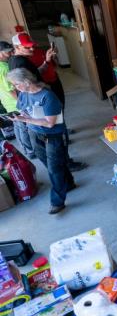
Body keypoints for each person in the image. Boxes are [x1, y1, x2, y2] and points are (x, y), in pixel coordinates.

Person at [9, 33, 86, 171]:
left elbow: (35, 75)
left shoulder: (21, 59)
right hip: (42, 102)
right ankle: (66, 165)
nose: (32, 50)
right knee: (55, 133)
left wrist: (46, 61)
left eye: (32, 46)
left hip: (42, 101)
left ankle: (62, 165)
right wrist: (45, 94)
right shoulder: (19, 63)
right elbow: (26, 86)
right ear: (17, 47)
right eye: (27, 47)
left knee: (54, 131)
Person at [7, 68, 75, 214]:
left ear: (26, 82)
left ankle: (57, 202)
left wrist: (25, 119)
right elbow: (23, 110)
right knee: (52, 164)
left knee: (54, 169)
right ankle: (68, 183)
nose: (15, 88)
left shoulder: (47, 96)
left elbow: (50, 123)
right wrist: (20, 116)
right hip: (34, 133)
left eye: (16, 84)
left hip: (53, 136)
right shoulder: (23, 94)